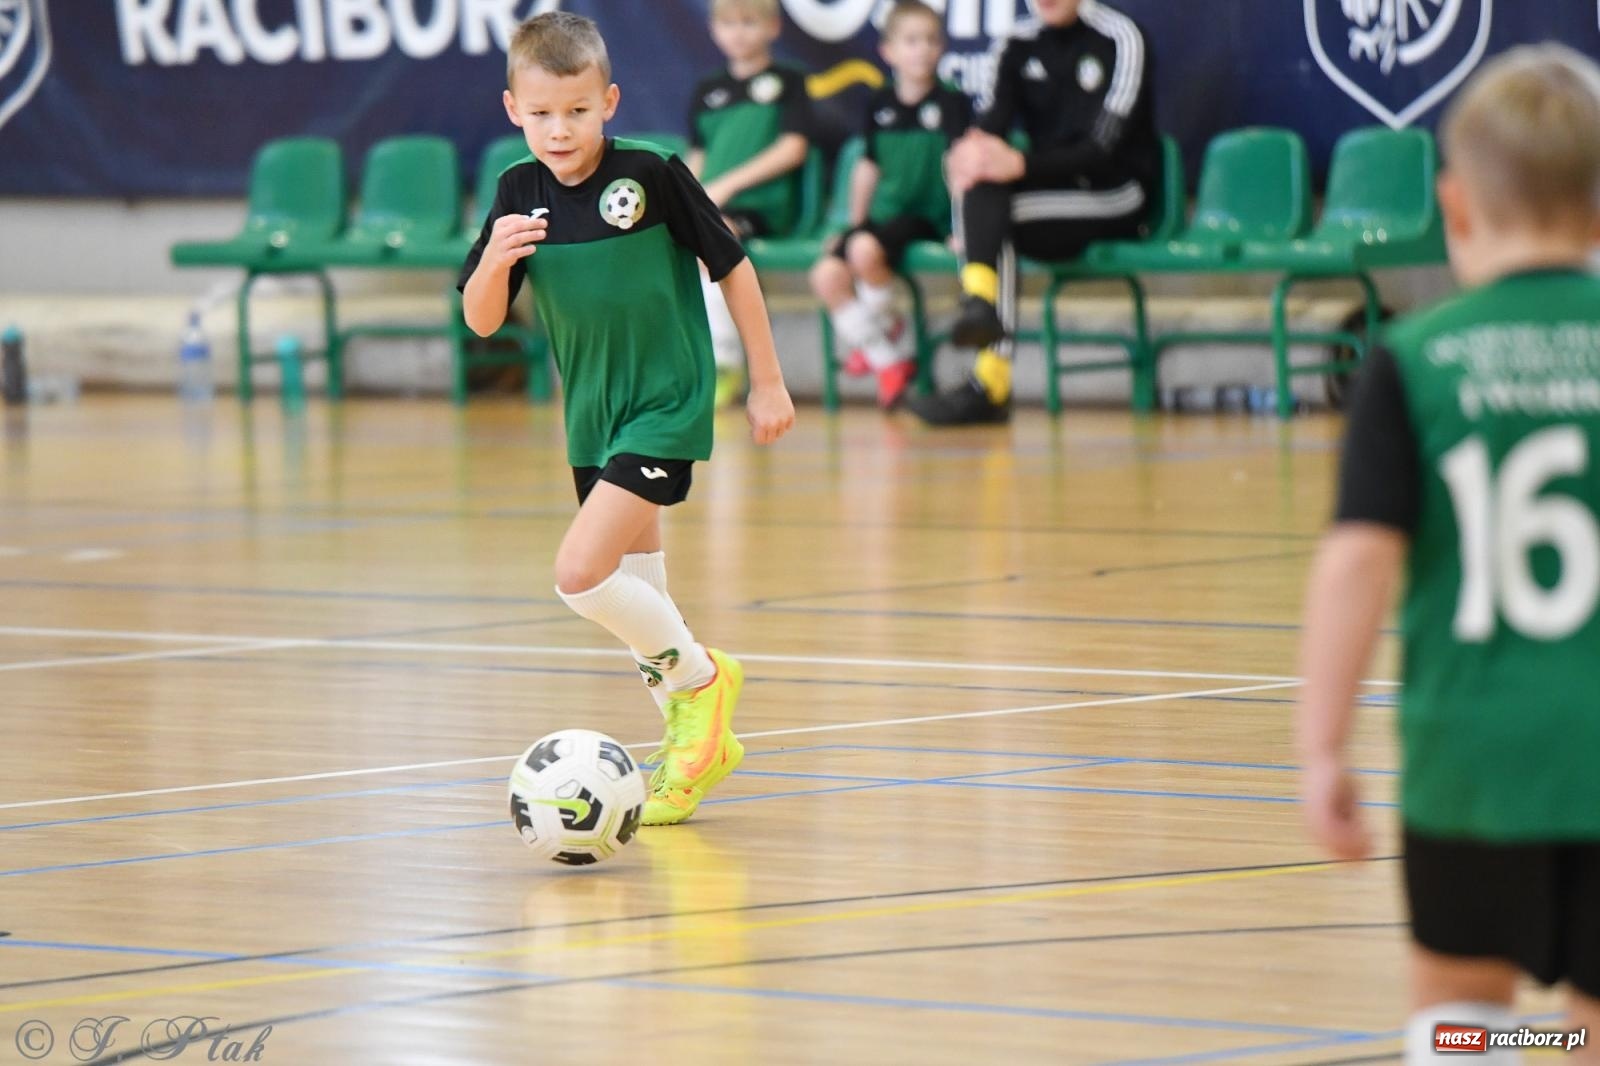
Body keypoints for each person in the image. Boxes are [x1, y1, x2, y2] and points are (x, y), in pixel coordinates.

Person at [1296, 45, 1600, 1065]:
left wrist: (1319, 746)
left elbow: (1355, 564)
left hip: (1468, 767)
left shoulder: (1411, 360)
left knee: (1462, 1015)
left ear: (1455, 207)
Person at [459, 11, 795, 826]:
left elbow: (734, 268)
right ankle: (694, 741)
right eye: (541, 114)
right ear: (513, 110)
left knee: (580, 574)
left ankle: (704, 683)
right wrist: (495, 262)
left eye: (577, 110)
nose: (559, 129)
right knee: (638, 584)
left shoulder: (651, 175)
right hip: (591, 415)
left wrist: (768, 381)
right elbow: (480, 321)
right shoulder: (515, 193)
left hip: (663, 404)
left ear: (608, 101)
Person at [908, 0, 1158, 425]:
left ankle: (989, 379)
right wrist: (970, 157)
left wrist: (1021, 166)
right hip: (1051, 191)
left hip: (1119, 192)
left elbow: (1103, 149)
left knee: (994, 216)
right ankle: (981, 308)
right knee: (981, 181)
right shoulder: (1015, 42)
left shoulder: (1121, 37)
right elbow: (989, 131)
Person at [807, 0, 971, 410]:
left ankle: (879, 333)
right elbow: (868, 166)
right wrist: (854, 223)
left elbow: (962, 168)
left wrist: (961, 227)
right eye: (912, 41)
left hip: (925, 218)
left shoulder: (953, 103)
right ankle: (888, 355)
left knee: (864, 251)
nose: (923, 50)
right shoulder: (880, 103)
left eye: (932, 40)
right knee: (827, 274)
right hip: (882, 219)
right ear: (889, 51)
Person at [687, 0, 814, 408]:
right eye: (728, 24)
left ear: (772, 27)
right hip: (713, 205)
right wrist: (684, 197)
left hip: (762, 208)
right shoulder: (708, 89)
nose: (738, 32)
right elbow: (697, 156)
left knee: (710, 245)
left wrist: (725, 186)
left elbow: (793, 148)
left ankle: (725, 363)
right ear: (713, 30)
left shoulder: (789, 82)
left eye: (748, 22)